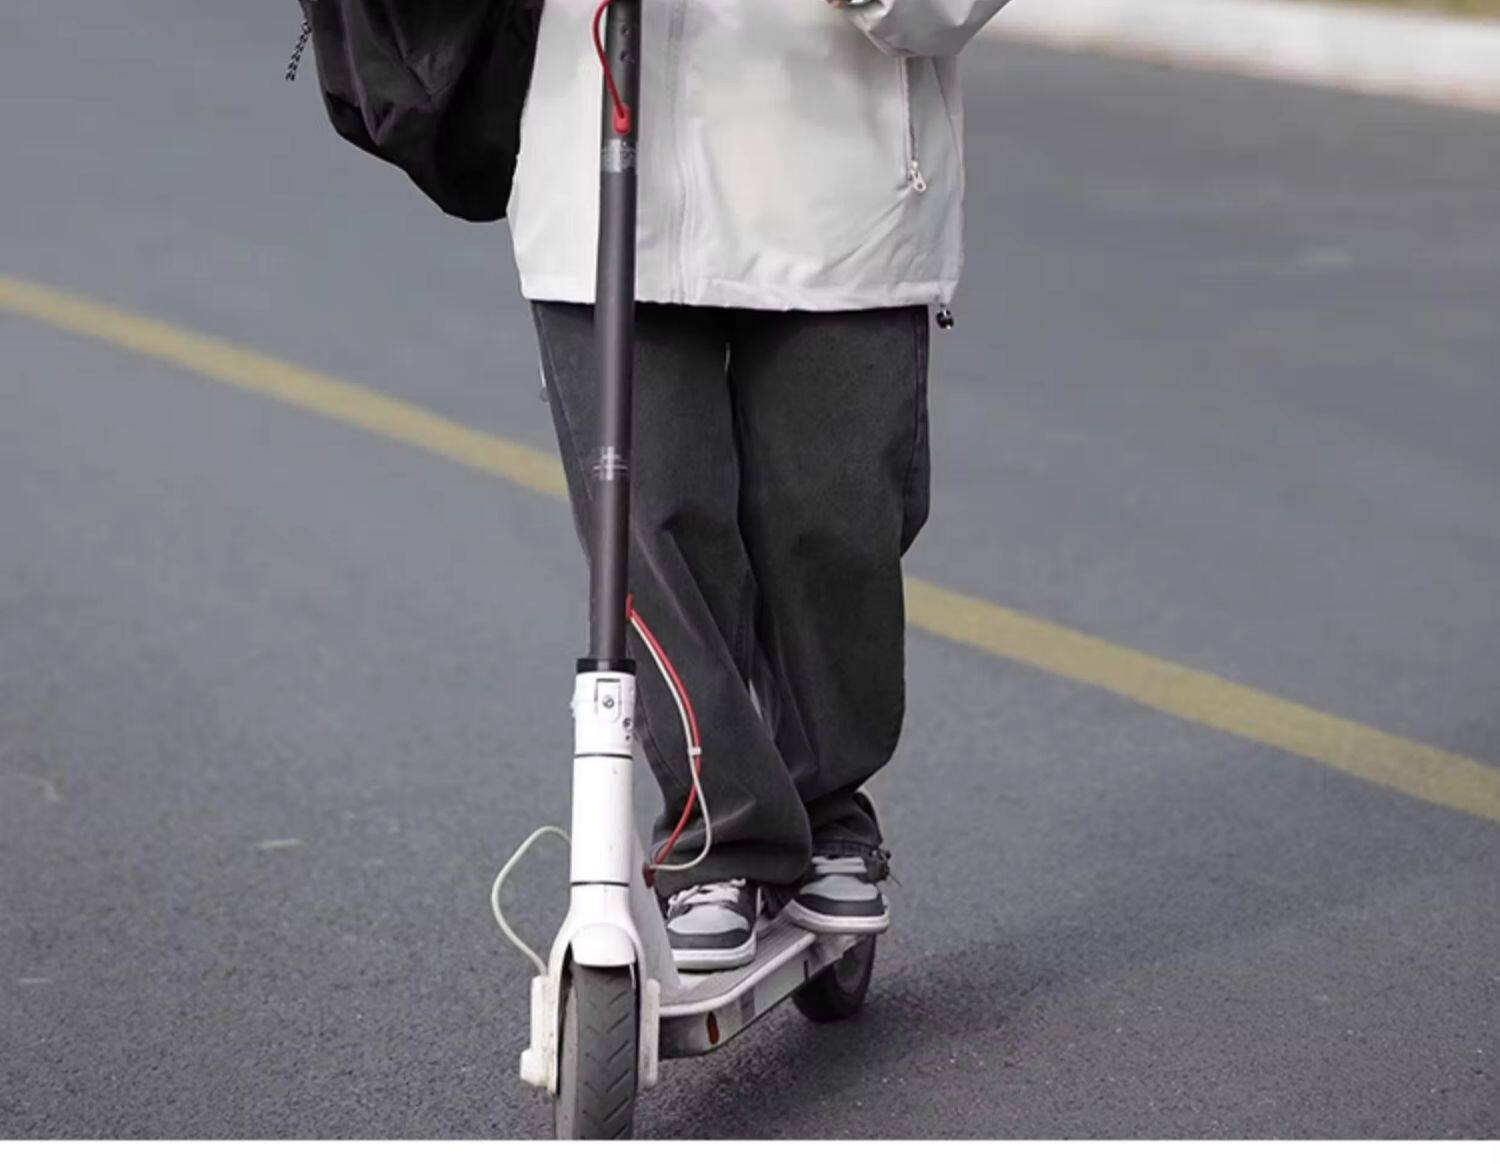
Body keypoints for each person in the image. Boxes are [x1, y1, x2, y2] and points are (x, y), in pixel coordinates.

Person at [507, 0, 1009, 970]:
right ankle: (719, 834)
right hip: (600, 172)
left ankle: (826, 804)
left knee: (834, 527)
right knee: (651, 532)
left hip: (843, 193)